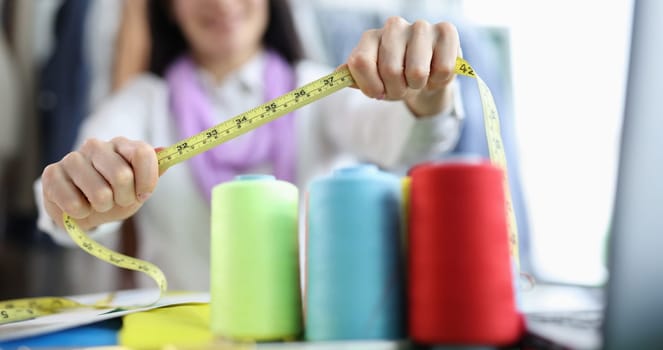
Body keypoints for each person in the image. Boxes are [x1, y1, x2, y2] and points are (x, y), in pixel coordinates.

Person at [35, 0, 464, 291]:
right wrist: (77, 197)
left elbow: (410, 141)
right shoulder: (142, 100)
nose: (222, 4)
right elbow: (63, 193)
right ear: (168, 7)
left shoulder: (319, 85)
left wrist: (428, 89)